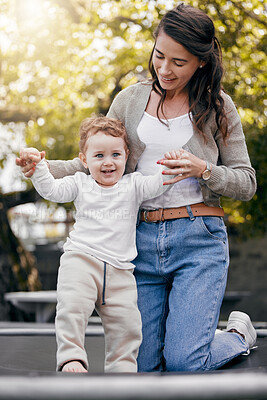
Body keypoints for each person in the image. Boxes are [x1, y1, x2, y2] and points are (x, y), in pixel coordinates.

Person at [17, 4, 257, 372]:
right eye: (160, 55)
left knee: (184, 363)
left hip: (198, 237)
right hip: (137, 243)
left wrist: (204, 169)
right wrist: (42, 166)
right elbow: (94, 162)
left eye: (179, 62)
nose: (164, 68)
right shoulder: (130, 100)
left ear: (201, 63)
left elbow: (246, 181)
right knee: (139, 366)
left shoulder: (218, 108)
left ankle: (238, 335)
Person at [19, 116, 172, 373]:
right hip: (81, 260)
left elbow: (158, 183)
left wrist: (174, 164)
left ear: (126, 155)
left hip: (120, 271)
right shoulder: (80, 183)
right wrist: (39, 168)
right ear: (84, 159)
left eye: (115, 154)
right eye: (98, 156)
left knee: (128, 325)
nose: (108, 162)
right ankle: (71, 357)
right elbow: (52, 191)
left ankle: (122, 369)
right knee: (72, 308)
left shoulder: (134, 184)